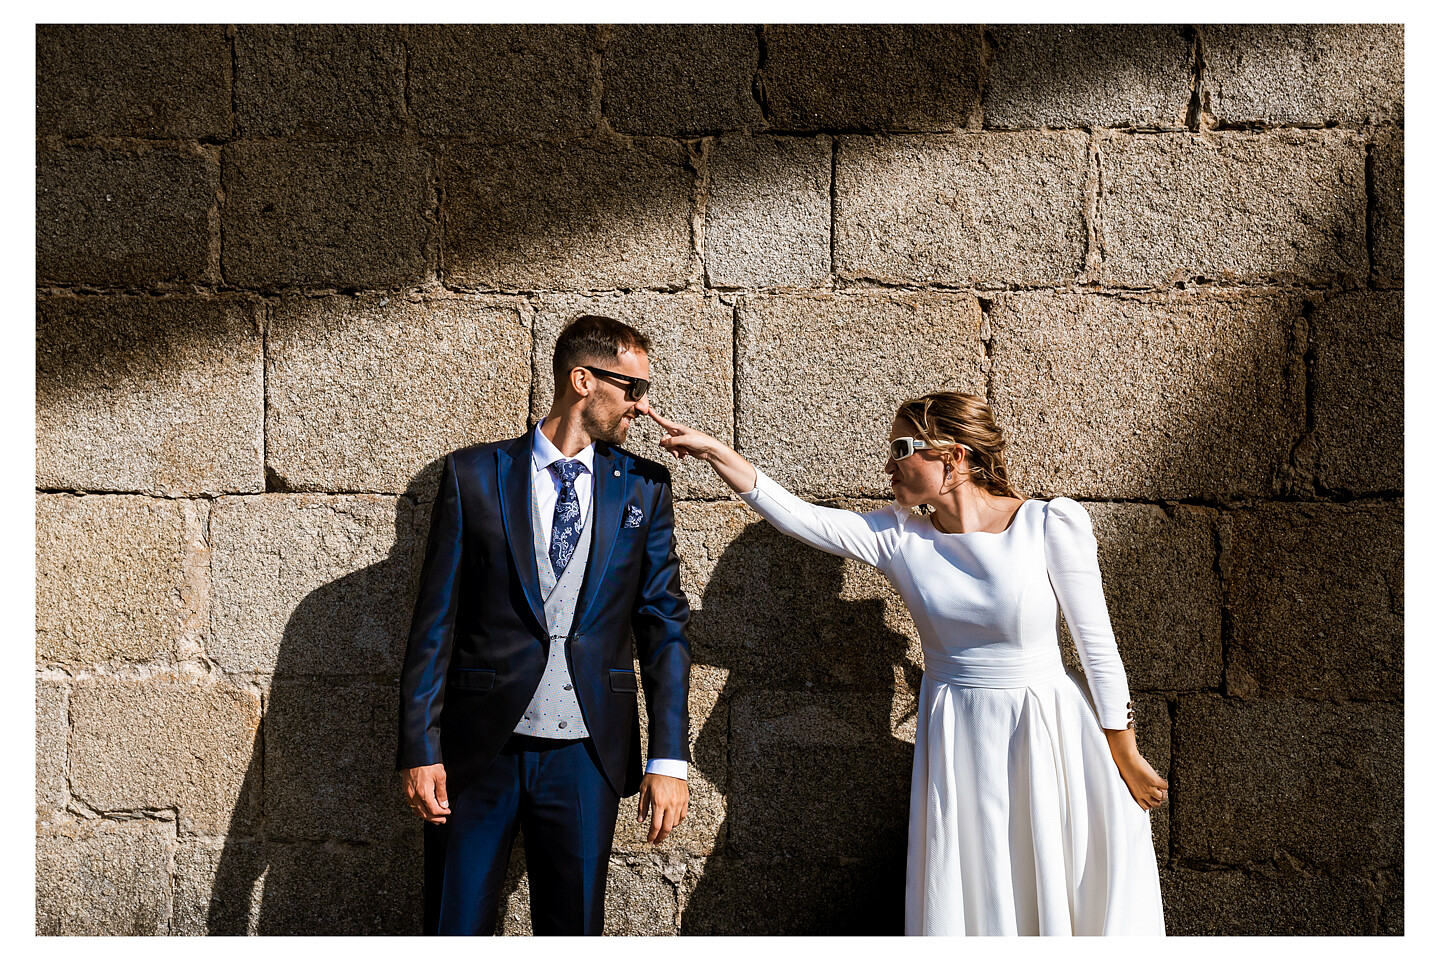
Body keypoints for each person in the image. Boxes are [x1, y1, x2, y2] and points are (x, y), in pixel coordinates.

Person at [646, 391, 1166, 936]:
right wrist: (713, 452)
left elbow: (1097, 645)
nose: (890, 462)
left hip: (1049, 731)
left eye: (903, 447)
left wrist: (1123, 751)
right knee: (980, 883)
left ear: (954, 455)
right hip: (959, 739)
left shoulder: (1048, 524)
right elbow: (799, 517)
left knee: (1056, 880)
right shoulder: (899, 538)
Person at [397, 315, 692, 936]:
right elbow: (435, 623)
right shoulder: (474, 475)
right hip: (479, 750)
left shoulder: (643, 486)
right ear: (582, 380)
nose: (642, 405)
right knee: (455, 925)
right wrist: (421, 749)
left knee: (574, 929)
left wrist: (669, 757)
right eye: (633, 389)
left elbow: (662, 624)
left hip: (589, 750)